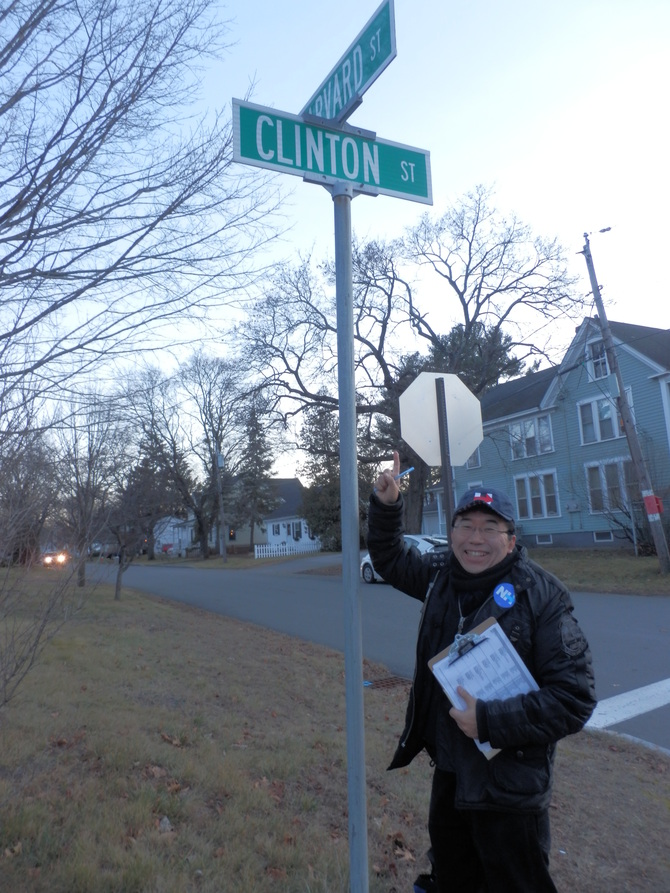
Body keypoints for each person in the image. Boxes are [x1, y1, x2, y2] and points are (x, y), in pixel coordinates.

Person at [367, 452, 596, 893]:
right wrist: (388, 504)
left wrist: (489, 721)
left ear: (511, 540)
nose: (476, 538)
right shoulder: (440, 577)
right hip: (451, 778)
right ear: (451, 532)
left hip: (510, 792)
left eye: (490, 528)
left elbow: (574, 699)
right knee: (453, 880)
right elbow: (390, 558)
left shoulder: (542, 596)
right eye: (465, 526)